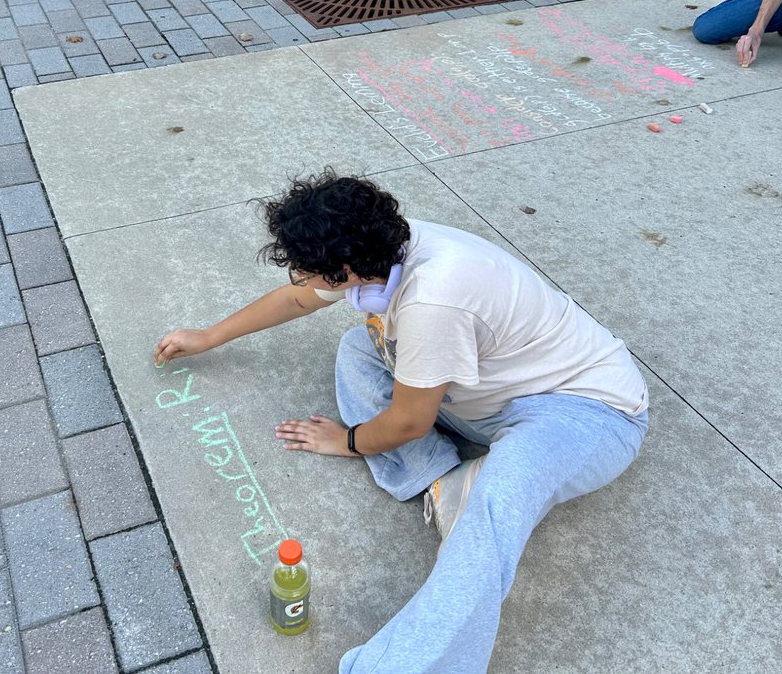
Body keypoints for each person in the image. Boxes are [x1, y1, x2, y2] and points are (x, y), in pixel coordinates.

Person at [155, 171, 649, 672]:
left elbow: (411, 422)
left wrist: (349, 440)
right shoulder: (378, 244)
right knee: (357, 348)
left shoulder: (434, 298)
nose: (299, 280)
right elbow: (297, 300)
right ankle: (444, 484)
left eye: (304, 270)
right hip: (483, 392)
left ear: (343, 268)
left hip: (584, 410)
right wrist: (209, 336)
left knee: (496, 508)